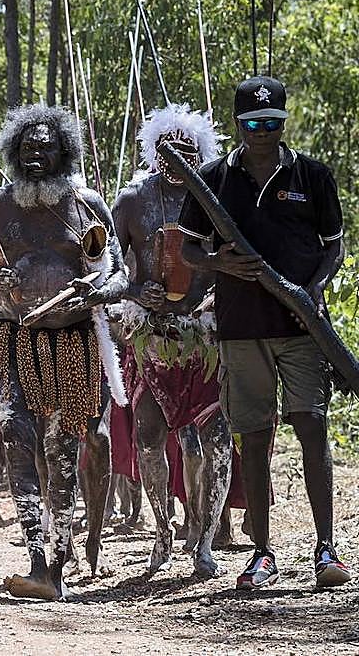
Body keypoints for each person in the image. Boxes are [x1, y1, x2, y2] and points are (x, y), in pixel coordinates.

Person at [177, 76, 349, 589]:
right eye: (253, 124)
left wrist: (313, 290)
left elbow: (334, 245)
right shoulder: (212, 179)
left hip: (300, 326)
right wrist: (219, 262)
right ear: (238, 125)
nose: (263, 132)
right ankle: (262, 553)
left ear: (283, 123)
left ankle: (326, 548)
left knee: (312, 428)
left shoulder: (313, 176)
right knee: (253, 438)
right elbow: (188, 249)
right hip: (240, 328)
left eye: (272, 123)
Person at [0, 105, 127, 601]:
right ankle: (36, 560)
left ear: (63, 153)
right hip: (13, 342)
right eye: (27, 148)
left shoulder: (86, 203)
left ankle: (55, 567)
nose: (35, 155)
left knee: (62, 454)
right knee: (16, 441)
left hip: (73, 345)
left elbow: (119, 275)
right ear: (14, 152)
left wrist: (95, 292)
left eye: (45, 148)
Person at [111, 104, 234, 577]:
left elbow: (234, 258)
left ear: (200, 155)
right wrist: (136, 290)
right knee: (148, 437)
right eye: (168, 150)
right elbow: (106, 267)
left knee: (216, 441)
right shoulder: (132, 200)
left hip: (203, 338)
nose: (177, 159)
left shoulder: (216, 198)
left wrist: (213, 299)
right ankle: (162, 534)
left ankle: (203, 540)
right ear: (153, 151)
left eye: (187, 151)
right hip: (150, 335)